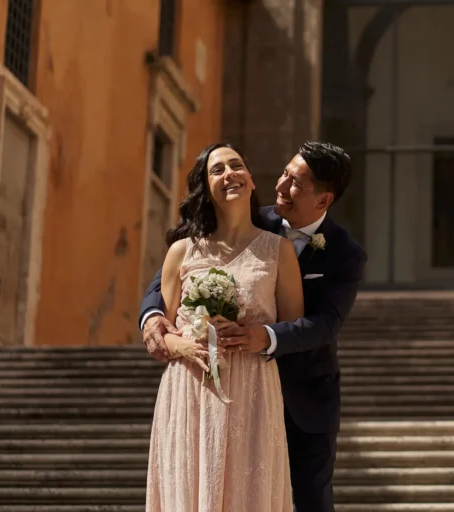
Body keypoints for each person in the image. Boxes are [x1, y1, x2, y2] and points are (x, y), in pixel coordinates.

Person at [140, 141, 368, 512]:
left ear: (323, 201)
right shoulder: (245, 215)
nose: (279, 186)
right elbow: (162, 286)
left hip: (298, 394)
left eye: (295, 183)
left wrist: (265, 337)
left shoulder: (345, 253)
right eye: (283, 174)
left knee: (306, 501)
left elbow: (325, 323)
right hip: (202, 389)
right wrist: (155, 323)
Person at [144, 142, 302, 511]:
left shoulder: (279, 251)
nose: (230, 173)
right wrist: (181, 346)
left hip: (253, 389)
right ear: (206, 189)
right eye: (217, 170)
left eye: (237, 166)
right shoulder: (181, 251)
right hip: (189, 387)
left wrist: (257, 337)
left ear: (250, 180)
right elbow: (160, 329)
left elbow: (294, 330)